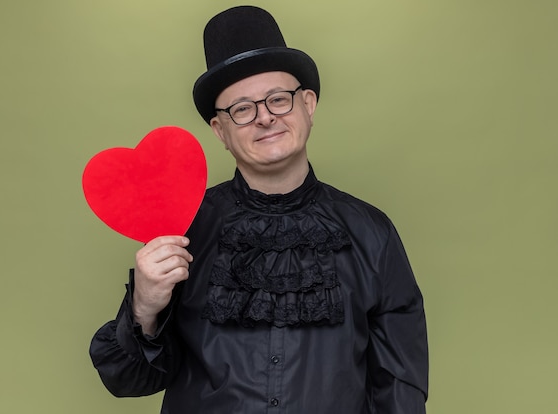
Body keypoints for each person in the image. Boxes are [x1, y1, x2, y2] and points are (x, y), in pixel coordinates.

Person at [89, 5, 428, 413]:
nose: (265, 117)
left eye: (278, 100)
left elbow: (399, 387)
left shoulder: (372, 232)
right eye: (242, 109)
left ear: (308, 104)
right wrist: (143, 308)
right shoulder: (183, 226)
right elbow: (128, 381)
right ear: (221, 131)